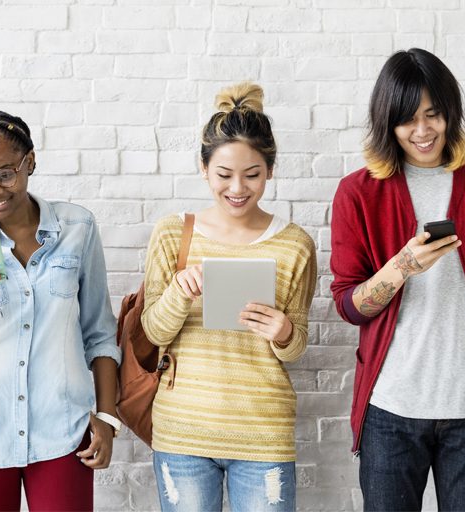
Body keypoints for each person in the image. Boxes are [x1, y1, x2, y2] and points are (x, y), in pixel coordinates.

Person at [328, 48, 465, 511]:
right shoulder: (358, 192)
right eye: (407, 120)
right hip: (391, 410)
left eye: (433, 115)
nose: (422, 132)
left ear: (450, 112)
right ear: (387, 123)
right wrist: (402, 266)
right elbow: (348, 305)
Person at [0, 111, 120, 511]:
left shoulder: (77, 228)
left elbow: (99, 332)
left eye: (5, 174)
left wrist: (107, 417)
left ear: (29, 162)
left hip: (62, 431)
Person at [140, 82, 317, 512]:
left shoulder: (295, 244)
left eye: (252, 175)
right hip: (183, 430)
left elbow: (295, 348)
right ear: (204, 169)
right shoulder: (172, 233)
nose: (237, 188)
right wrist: (178, 297)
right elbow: (152, 330)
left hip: (263, 432)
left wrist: (284, 331)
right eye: (223, 175)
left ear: (270, 171)